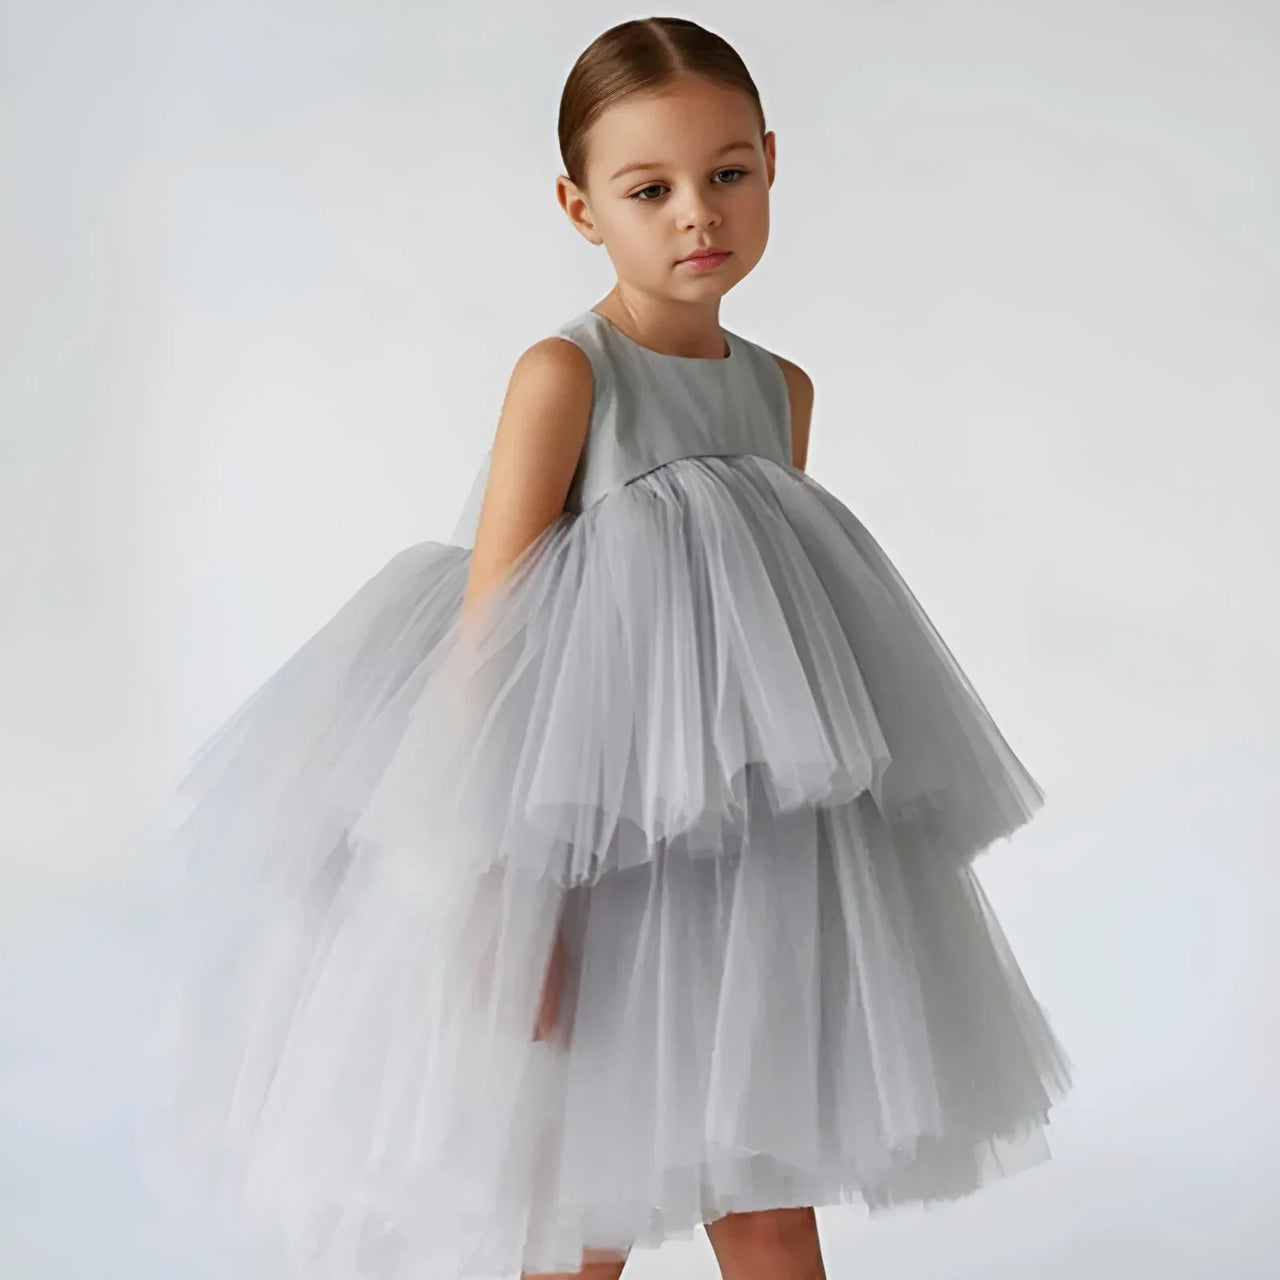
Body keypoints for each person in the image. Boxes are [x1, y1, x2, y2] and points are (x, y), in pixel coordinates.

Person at [139, 16, 1074, 1280]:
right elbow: (496, 639)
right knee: (577, 1198)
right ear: (582, 209)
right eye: (651, 189)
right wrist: (497, 901)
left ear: (772, 164)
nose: (700, 213)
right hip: (574, 849)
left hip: (738, 868)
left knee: (761, 1186)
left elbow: (755, 656)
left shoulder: (780, 389)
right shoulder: (564, 378)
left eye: (728, 172)